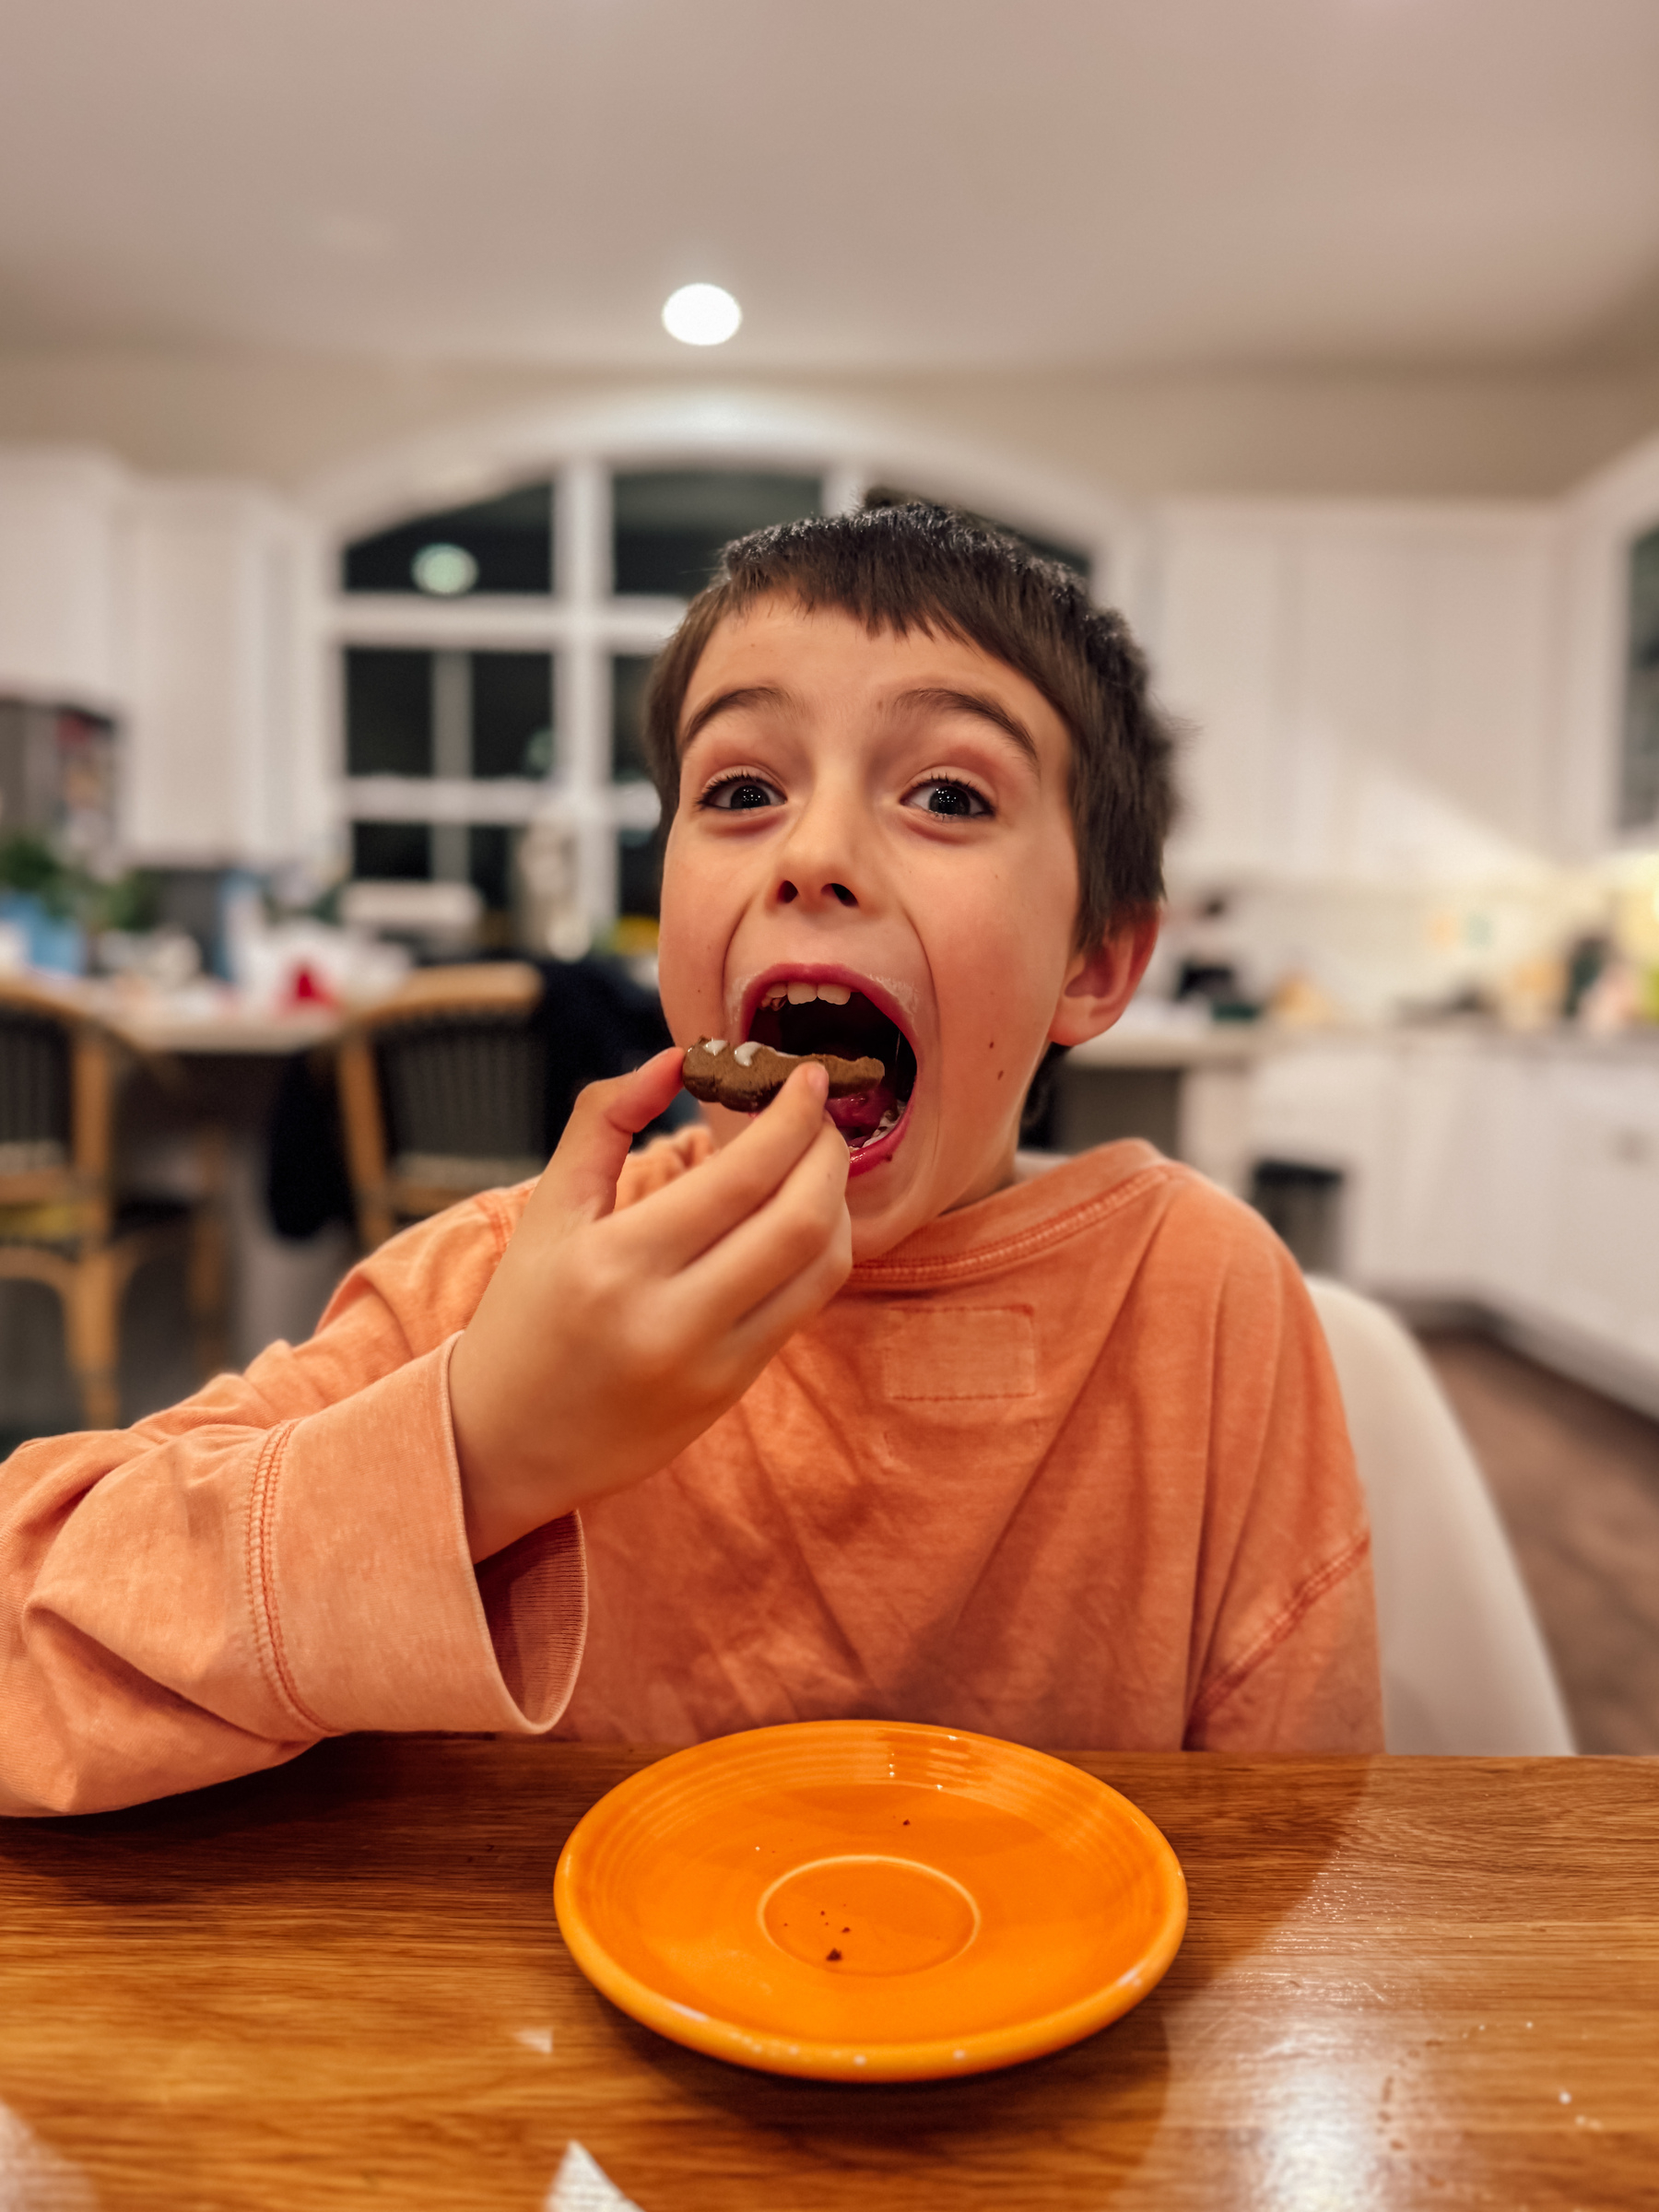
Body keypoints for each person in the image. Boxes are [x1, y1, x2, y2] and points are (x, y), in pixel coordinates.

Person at [0, 500, 1381, 1817]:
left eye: (950, 794)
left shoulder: (1203, 1303)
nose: (817, 852)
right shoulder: (493, 1293)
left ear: (1093, 961)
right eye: (739, 788)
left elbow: (1302, 1841)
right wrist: (483, 1442)